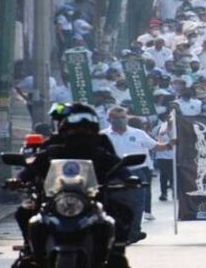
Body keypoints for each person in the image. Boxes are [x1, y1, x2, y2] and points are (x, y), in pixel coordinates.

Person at [11, 103, 134, 268]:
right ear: (64, 128)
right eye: (74, 129)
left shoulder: (101, 146)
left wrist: (128, 178)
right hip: (55, 197)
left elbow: (116, 164)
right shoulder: (53, 147)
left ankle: (116, 250)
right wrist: (18, 180)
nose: (80, 134)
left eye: (85, 129)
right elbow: (34, 167)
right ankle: (30, 250)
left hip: (93, 197)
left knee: (123, 212)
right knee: (24, 213)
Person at [102, 107, 174, 243]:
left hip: (136, 172)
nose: (120, 121)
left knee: (136, 204)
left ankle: (133, 233)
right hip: (113, 174)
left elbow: (155, 146)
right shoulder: (103, 136)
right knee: (113, 204)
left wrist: (170, 145)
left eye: (123, 117)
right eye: (116, 118)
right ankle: (116, 233)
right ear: (109, 119)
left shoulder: (138, 133)